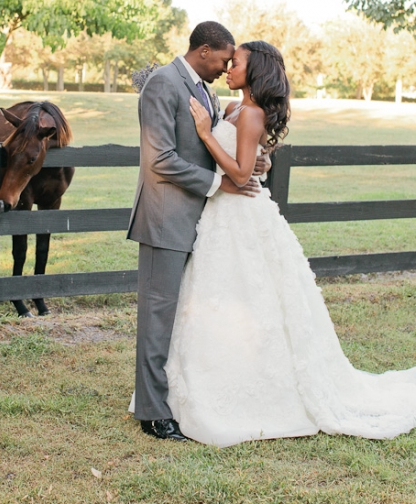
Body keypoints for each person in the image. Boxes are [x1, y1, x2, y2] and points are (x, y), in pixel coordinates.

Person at [165, 40, 416, 446]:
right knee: (215, 296)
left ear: (256, 70)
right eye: (227, 62)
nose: (229, 68)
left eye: (237, 63)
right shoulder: (230, 108)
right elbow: (252, 158)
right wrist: (229, 139)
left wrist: (206, 135)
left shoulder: (250, 114)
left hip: (243, 215)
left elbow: (243, 173)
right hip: (220, 217)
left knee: (253, 295)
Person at [127, 22, 270, 441]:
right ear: (204, 50)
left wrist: (249, 165)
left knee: (181, 317)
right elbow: (161, 160)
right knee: (157, 317)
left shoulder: (204, 89)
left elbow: (207, 146)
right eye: (224, 59)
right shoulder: (162, 84)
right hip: (164, 218)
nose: (226, 67)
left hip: (198, 221)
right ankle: (153, 415)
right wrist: (219, 184)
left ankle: (172, 397)